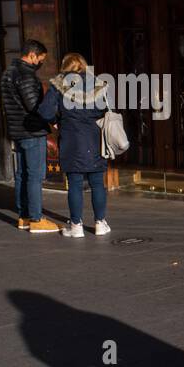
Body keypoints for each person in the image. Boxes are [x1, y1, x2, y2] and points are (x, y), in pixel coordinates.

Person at [36, 53, 112, 238]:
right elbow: (107, 109)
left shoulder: (58, 85)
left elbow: (45, 111)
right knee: (97, 183)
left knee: (75, 184)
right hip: (95, 138)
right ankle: (100, 223)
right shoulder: (98, 84)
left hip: (71, 139)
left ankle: (76, 226)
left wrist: (57, 120)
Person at [0, 39, 61, 233]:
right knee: (35, 175)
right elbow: (34, 106)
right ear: (32, 55)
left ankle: (24, 216)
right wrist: (52, 119)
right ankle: (36, 218)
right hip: (32, 131)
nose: (41, 63)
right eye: (40, 59)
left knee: (22, 174)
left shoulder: (8, 73)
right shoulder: (25, 75)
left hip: (18, 131)